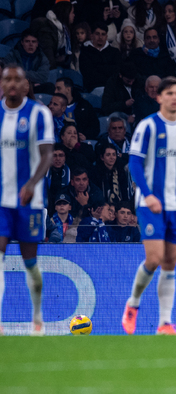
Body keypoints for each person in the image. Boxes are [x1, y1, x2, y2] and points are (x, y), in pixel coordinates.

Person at [122, 76, 176, 336]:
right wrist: (146, 194)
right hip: (150, 204)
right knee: (154, 258)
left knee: (170, 262)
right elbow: (134, 163)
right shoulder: (147, 127)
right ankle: (133, 303)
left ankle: (165, 324)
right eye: (169, 93)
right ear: (159, 97)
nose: (174, 97)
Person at [0, 65, 54, 336]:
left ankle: (37, 316)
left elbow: (47, 155)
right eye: (6, 79)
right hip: (1, 201)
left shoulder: (39, 113)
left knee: (29, 262)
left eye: (16, 80)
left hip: (29, 201)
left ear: (25, 85)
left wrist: (32, 184)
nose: (11, 84)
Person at [30, 1, 75, 70]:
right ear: (66, 14)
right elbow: (48, 60)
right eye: (72, 12)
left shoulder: (64, 30)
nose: (74, 15)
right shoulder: (47, 31)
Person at [79, 22, 122, 92]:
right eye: (97, 34)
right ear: (92, 35)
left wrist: (98, 67)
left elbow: (117, 71)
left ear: (106, 37)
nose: (100, 37)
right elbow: (89, 75)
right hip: (93, 89)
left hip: (113, 88)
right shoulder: (85, 52)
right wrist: (108, 69)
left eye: (103, 34)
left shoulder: (115, 52)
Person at [46, 144, 70, 213]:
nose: (58, 159)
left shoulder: (71, 172)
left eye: (61, 155)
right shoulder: (43, 173)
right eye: (54, 155)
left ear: (65, 157)